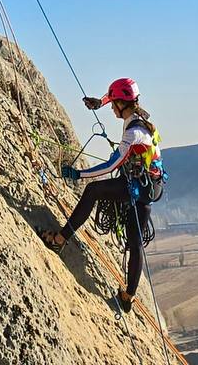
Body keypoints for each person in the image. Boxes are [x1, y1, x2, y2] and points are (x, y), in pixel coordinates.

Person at [39, 78, 165, 312]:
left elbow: (110, 165)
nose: (111, 108)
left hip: (138, 185)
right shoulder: (140, 118)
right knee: (135, 242)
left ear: (121, 104)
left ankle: (59, 240)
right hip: (150, 185)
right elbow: (118, 99)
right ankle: (127, 297)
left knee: (93, 190)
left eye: (112, 103)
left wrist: (79, 174)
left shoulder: (133, 133)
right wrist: (99, 102)